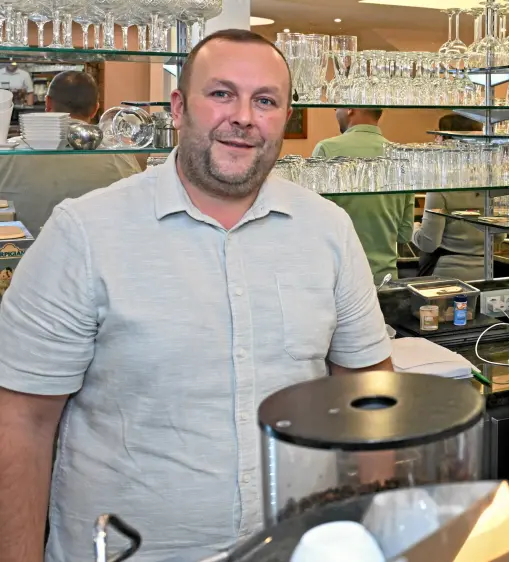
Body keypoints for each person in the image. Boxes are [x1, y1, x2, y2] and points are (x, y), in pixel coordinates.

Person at [0, 29, 393, 562]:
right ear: (180, 107)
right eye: (222, 94)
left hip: (293, 547)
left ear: (285, 116)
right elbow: (21, 421)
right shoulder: (86, 233)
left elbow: (369, 394)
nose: (244, 117)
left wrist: (371, 537)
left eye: (265, 101)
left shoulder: (328, 230)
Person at [0, 70, 141, 236]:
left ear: (48, 103)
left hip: (18, 250)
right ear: (96, 109)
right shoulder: (121, 154)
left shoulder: (8, 151)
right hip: (101, 249)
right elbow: (137, 209)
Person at [313, 108, 414, 282]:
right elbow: (404, 234)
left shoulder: (326, 150)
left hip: (340, 281)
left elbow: (315, 227)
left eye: (336, 107)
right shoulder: (402, 157)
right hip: (385, 280)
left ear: (350, 108)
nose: (335, 112)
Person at [412, 114, 486, 279]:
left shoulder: (441, 183)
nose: (435, 139)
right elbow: (500, 235)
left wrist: (413, 228)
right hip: (485, 269)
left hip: (446, 272)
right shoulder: (491, 180)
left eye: (438, 134)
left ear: (448, 141)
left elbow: (429, 243)